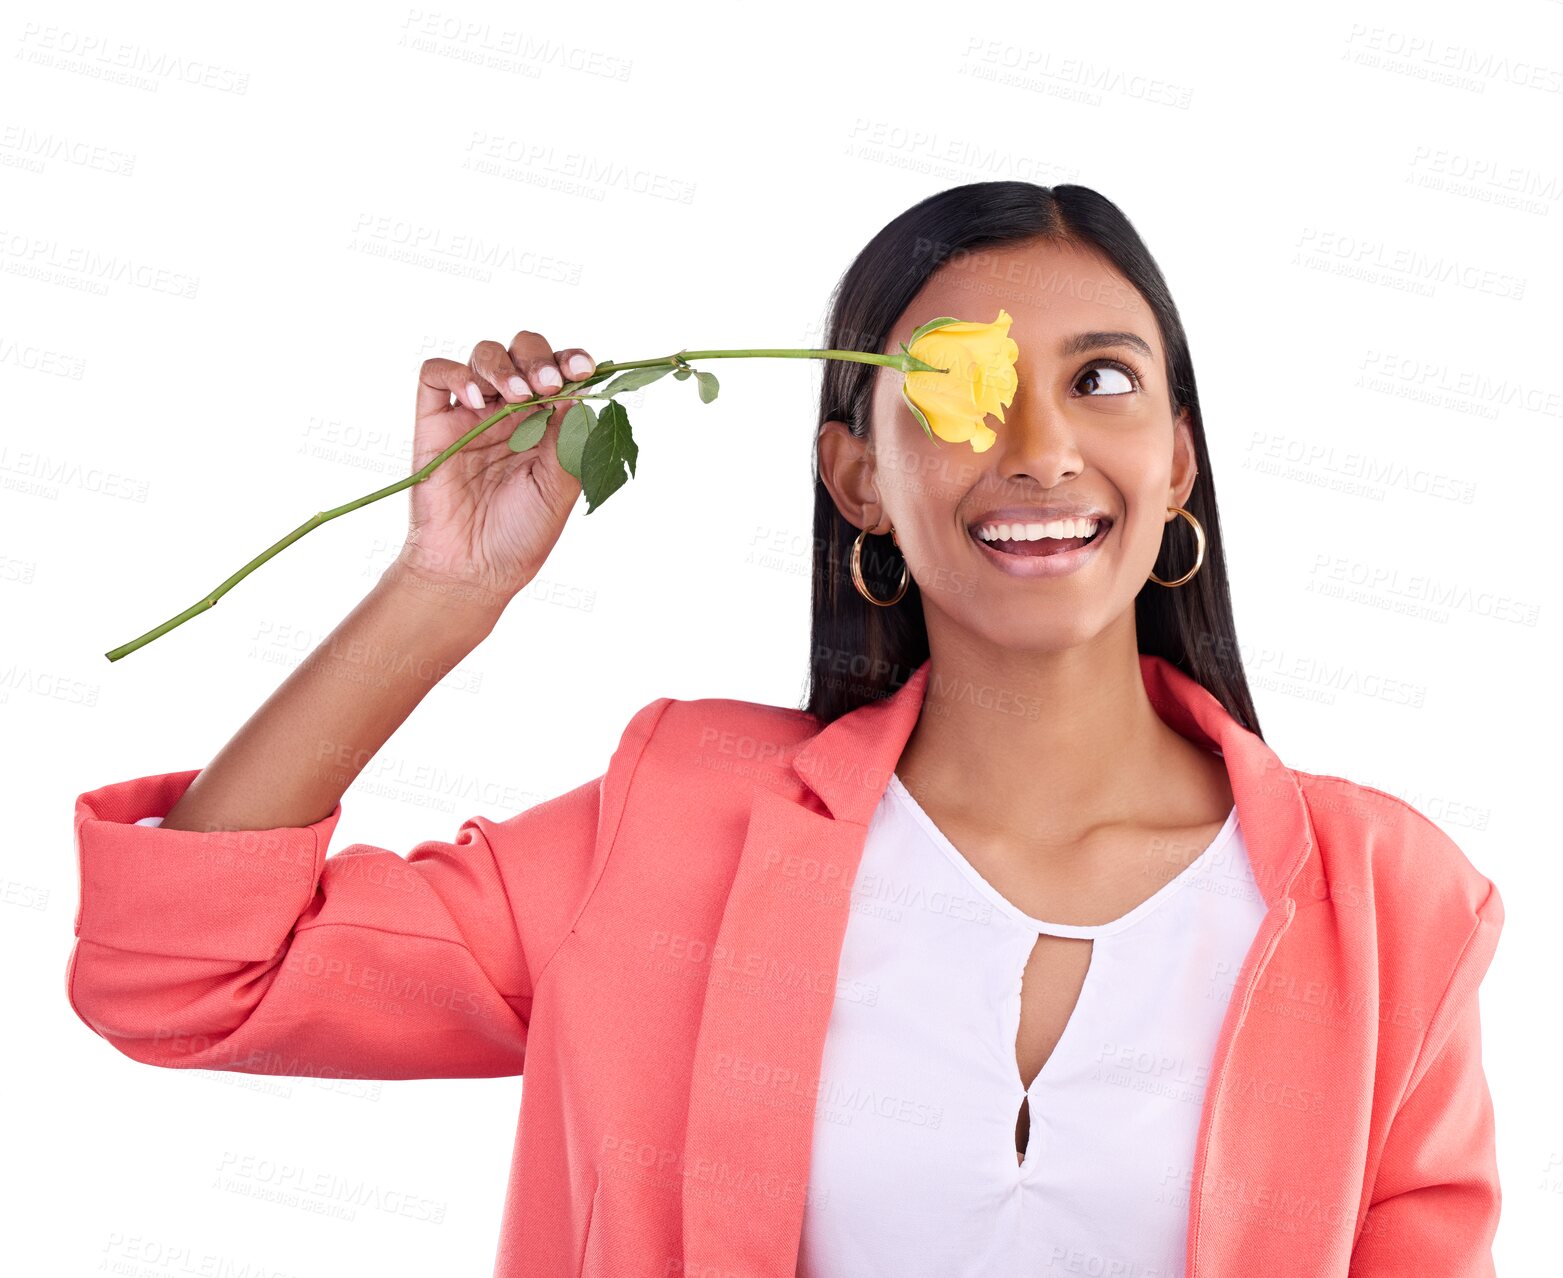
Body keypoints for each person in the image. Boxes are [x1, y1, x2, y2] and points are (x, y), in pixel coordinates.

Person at [66, 181, 1503, 1278]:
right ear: (856, 478)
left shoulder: (1388, 907)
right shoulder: (675, 823)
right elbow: (189, 975)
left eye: (1102, 379)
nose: (1039, 445)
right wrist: (444, 591)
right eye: (966, 385)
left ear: (1178, 462)